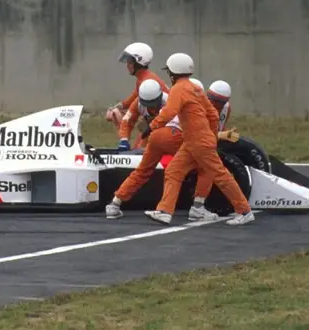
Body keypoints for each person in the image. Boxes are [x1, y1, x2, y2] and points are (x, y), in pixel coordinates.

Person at [145, 53, 255, 226]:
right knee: (174, 171)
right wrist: (212, 136)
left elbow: (168, 111)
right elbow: (212, 113)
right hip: (193, 141)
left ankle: (244, 210)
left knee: (220, 175)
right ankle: (165, 211)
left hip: (197, 141)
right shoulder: (195, 88)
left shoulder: (179, 89)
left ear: (173, 72)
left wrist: (152, 126)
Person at [105, 79, 185, 220]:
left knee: (144, 171)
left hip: (161, 135)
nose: (151, 108)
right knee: (179, 169)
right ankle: (198, 205)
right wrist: (124, 138)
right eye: (148, 105)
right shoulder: (138, 102)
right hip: (165, 137)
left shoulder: (170, 100)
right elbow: (127, 120)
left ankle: (115, 202)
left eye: (154, 104)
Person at [107, 42, 169, 149]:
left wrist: (151, 121)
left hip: (164, 125)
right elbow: (132, 101)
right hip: (157, 123)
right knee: (138, 148)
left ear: (139, 62)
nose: (127, 65)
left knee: (142, 149)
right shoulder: (144, 80)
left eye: (130, 61)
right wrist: (118, 107)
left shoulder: (147, 81)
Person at [190, 79, 239, 208]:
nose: (214, 103)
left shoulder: (226, 109)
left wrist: (221, 135)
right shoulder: (198, 106)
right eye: (211, 98)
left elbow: (216, 131)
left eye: (219, 101)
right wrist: (221, 135)